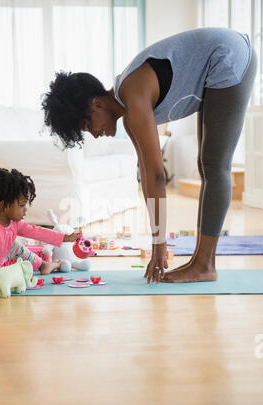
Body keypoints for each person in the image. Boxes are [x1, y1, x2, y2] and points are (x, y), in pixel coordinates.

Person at [42, 27, 257, 284]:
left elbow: (157, 176)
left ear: (96, 104)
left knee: (214, 165)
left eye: (89, 126)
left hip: (229, 56)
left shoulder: (133, 97)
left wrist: (159, 245)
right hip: (218, 59)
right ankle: (200, 262)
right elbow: (146, 175)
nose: (95, 134)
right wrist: (158, 243)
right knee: (206, 165)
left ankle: (205, 265)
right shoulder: (128, 112)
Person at [0, 168, 80, 292]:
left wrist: (64, 237)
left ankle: (43, 265)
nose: (25, 210)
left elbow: (37, 232)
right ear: (4, 205)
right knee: (7, 275)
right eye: (21, 205)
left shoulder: (15, 223)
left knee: (15, 246)